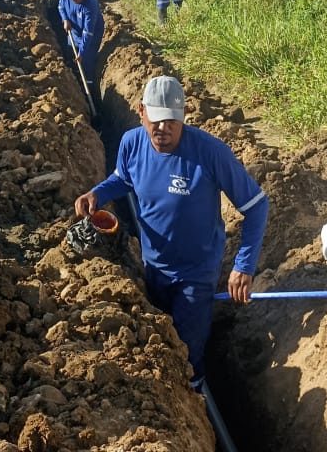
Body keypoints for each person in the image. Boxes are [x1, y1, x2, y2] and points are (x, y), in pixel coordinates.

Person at [73, 75, 268, 391]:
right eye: (155, 120)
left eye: (171, 122)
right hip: (153, 267)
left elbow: (257, 206)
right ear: (140, 112)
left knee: (188, 353)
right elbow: (123, 179)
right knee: (159, 340)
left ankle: (195, 394)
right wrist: (97, 193)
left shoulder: (210, 153)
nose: (162, 129)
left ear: (184, 116)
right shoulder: (131, 143)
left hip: (196, 274)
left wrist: (243, 266)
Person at [57, 0, 105, 90]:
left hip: (91, 35)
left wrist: (82, 53)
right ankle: (73, 79)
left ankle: (88, 87)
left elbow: (88, 33)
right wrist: (65, 20)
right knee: (70, 53)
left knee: (87, 60)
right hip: (73, 31)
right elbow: (60, 6)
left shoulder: (90, 5)